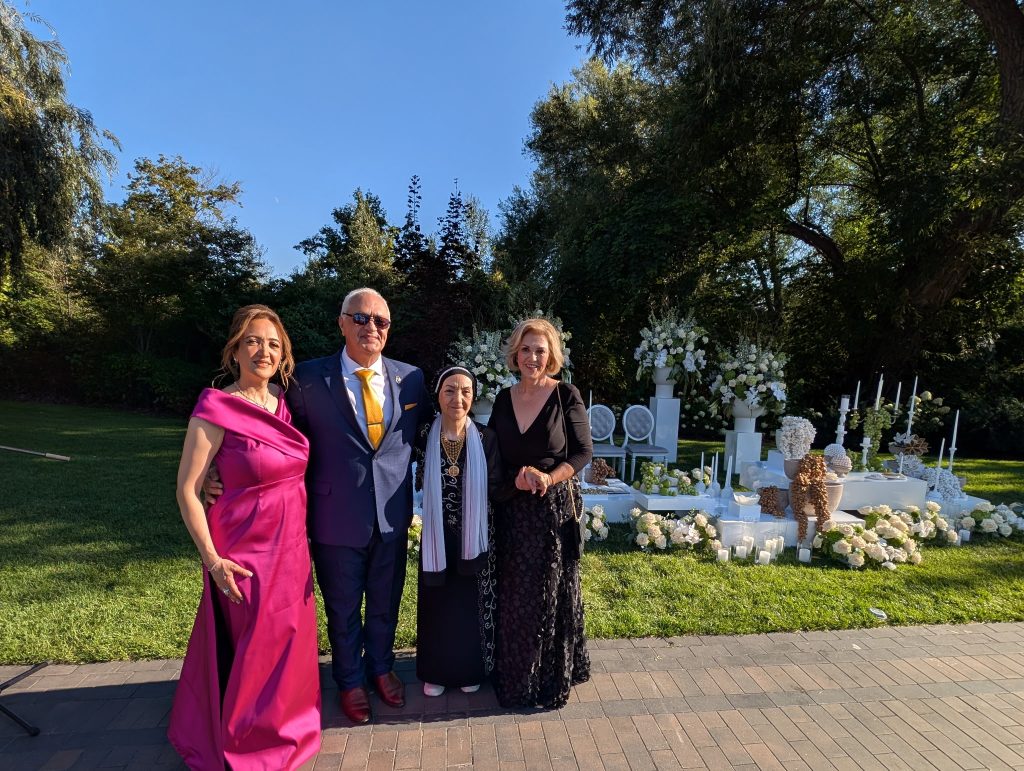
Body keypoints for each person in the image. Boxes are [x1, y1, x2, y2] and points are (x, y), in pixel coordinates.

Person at [168, 305, 320, 770]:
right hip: (243, 550)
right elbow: (188, 491)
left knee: (288, 641)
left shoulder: (283, 404)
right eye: (254, 341)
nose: (264, 351)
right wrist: (213, 561)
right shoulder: (215, 408)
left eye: (274, 344)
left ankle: (290, 727)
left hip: (292, 545)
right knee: (254, 644)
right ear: (235, 349)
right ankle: (246, 742)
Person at [287, 288, 433, 725]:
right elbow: (278, 438)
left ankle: (382, 669)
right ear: (342, 322)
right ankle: (350, 681)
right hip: (335, 517)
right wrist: (223, 468)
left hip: (391, 515)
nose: (372, 327)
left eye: (381, 321)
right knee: (343, 605)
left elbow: (439, 427)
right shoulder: (307, 379)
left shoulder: (412, 379)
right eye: (362, 318)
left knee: (386, 602)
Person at [488, 317, 593, 709]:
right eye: (526, 349)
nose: (533, 357)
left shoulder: (566, 394)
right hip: (514, 510)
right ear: (515, 353)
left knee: (549, 591)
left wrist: (550, 478)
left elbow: (583, 452)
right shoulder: (502, 398)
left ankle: (547, 675)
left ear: (551, 357)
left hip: (551, 510)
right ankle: (515, 672)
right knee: (516, 592)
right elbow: (493, 455)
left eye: (540, 351)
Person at [416, 366, 504, 696]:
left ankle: (471, 670)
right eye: (450, 390)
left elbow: (496, 486)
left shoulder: (485, 437)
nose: (458, 398)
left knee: (470, 605)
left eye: (466, 391)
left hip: (475, 537)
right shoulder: (424, 434)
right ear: (438, 395)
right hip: (438, 537)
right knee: (438, 604)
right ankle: (435, 672)